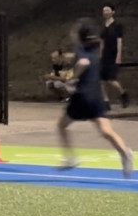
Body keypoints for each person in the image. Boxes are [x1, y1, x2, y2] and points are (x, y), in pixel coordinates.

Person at [56, 18, 133, 178]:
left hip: (82, 96)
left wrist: (73, 79)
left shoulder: (80, 49)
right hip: (96, 96)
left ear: (79, 35)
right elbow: (87, 60)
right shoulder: (95, 49)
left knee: (61, 126)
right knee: (106, 131)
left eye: (74, 31)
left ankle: (70, 158)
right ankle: (125, 153)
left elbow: (83, 62)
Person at [100, 4, 130, 110]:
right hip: (104, 55)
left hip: (113, 54)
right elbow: (102, 42)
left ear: (113, 12)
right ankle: (106, 101)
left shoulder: (117, 26)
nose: (105, 12)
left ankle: (123, 93)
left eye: (107, 10)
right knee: (102, 80)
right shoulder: (104, 26)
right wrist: (100, 54)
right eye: (104, 10)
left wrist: (118, 55)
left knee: (111, 79)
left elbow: (119, 41)